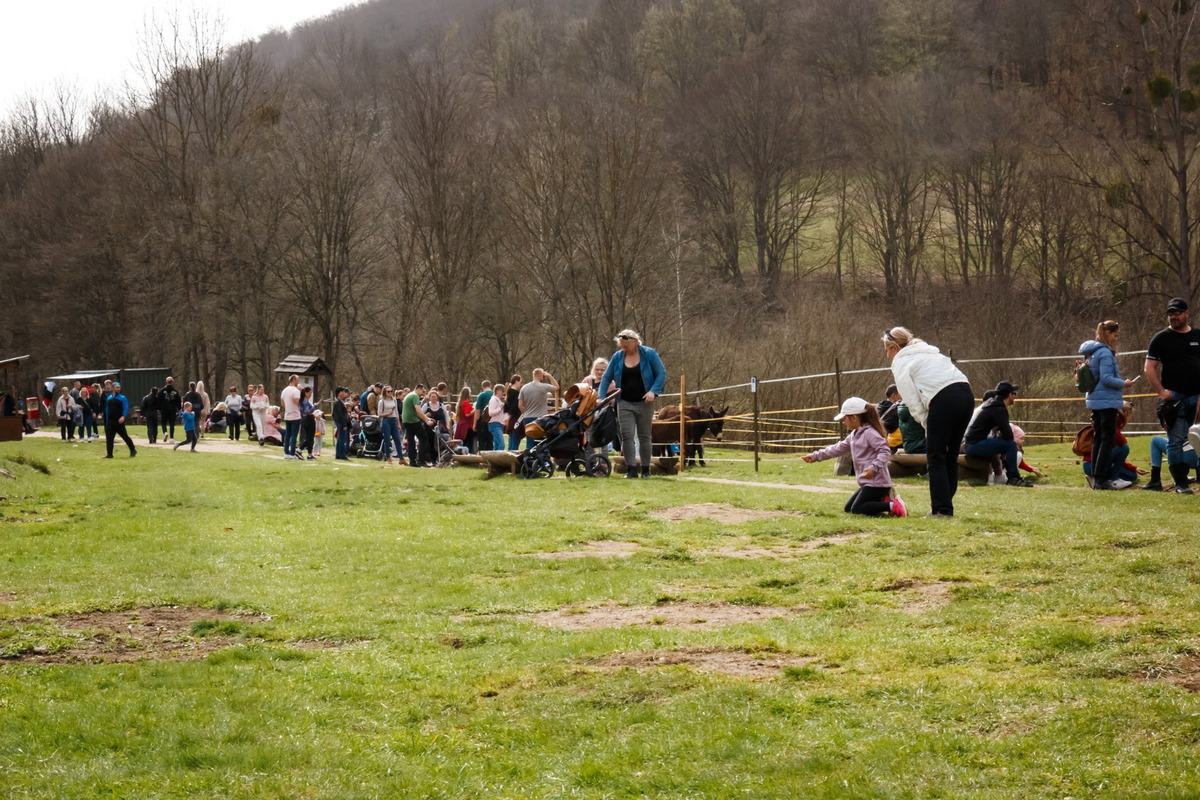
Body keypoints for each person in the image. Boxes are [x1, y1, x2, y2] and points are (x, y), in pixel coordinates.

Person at [884, 326, 974, 516]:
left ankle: (941, 510)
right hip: (966, 394)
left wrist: (928, 426)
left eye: (887, 350)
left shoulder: (901, 362)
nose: (887, 355)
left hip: (943, 399)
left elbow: (912, 401)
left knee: (935, 455)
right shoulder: (931, 353)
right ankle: (945, 504)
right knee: (950, 455)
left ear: (895, 347)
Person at [803, 397, 906, 517]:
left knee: (857, 508)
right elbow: (837, 448)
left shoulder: (870, 433)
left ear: (854, 418)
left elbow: (885, 451)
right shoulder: (854, 435)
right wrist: (815, 456)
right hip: (868, 483)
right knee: (849, 508)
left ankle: (894, 505)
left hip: (878, 483)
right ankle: (883, 501)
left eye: (845, 418)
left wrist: (873, 468)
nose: (843, 421)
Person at [1144, 297, 1200, 494]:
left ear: (1186, 313)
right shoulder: (1161, 338)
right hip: (1174, 399)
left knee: (1198, 440)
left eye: (1177, 313)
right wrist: (1161, 391)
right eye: (1170, 314)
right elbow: (1149, 368)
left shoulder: (1197, 335)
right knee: (1175, 441)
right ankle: (1180, 484)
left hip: (1197, 398)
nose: (1173, 317)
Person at [599, 329, 668, 479]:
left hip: (645, 402)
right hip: (624, 402)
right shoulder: (617, 357)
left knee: (644, 436)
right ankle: (631, 470)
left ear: (635, 342)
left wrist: (653, 391)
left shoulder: (649, 354)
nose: (623, 349)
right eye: (621, 346)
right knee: (627, 436)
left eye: (626, 346)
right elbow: (606, 377)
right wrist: (601, 397)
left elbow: (661, 373)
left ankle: (646, 470)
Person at [1079, 320, 1138, 490]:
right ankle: (1101, 478)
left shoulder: (1090, 352)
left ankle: (1096, 476)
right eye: (1115, 335)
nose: (1116, 339)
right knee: (1107, 439)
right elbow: (1106, 379)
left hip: (1095, 399)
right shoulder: (1105, 353)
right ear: (1108, 333)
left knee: (1098, 438)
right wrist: (1124, 383)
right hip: (1106, 400)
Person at [963, 381, 1033, 488]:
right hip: (973, 445)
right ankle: (1013, 478)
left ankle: (1003, 476)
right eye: (1014, 394)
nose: (1015, 397)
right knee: (1011, 445)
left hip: (971, 443)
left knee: (1006, 444)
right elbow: (1008, 435)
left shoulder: (994, 405)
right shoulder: (999, 409)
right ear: (1009, 395)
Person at [518, 368, 560, 450]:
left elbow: (520, 405)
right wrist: (549, 376)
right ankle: (544, 456)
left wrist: (525, 412)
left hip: (527, 418)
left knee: (529, 441)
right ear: (540, 375)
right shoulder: (543, 386)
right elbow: (557, 387)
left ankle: (529, 456)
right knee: (543, 440)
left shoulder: (524, 388)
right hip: (540, 418)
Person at [402, 384, 436, 467]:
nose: (423, 393)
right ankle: (421, 460)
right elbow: (418, 410)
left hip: (406, 421)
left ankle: (412, 461)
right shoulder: (415, 396)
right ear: (419, 389)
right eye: (423, 391)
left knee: (411, 441)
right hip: (413, 421)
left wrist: (426, 418)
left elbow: (414, 411)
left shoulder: (409, 395)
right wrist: (427, 421)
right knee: (423, 438)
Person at [103, 381, 137, 458]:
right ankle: (109, 454)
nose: (118, 389)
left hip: (119, 421)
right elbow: (107, 409)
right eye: (117, 387)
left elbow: (126, 408)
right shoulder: (109, 398)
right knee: (109, 438)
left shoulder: (122, 398)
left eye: (119, 387)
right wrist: (107, 420)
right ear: (113, 388)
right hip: (110, 421)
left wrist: (123, 416)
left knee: (125, 436)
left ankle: (133, 449)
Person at [377, 385, 405, 464]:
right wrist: (387, 414)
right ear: (384, 392)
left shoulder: (394, 400)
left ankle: (401, 458)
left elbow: (396, 412)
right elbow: (379, 414)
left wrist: (398, 423)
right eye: (388, 391)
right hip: (386, 420)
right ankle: (388, 457)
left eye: (391, 391)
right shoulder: (382, 401)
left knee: (397, 439)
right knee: (387, 439)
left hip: (394, 420)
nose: (390, 393)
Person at [280, 375, 302, 459]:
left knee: (288, 434)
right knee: (294, 435)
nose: (298, 382)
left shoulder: (284, 390)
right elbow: (296, 401)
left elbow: (282, 403)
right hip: (295, 415)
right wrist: (299, 408)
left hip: (287, 415)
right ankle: (292, 453)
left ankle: (286, 452)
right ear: (294, 380)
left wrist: (288, 407)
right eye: (297, 380)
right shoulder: (296, 391)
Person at [159, 377, 181, 443]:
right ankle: (171, 438)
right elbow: (178, 400)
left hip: (164, 409)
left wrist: (159, 408)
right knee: (172, 423)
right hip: (172, 409)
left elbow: (159, 399)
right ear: (172, 382)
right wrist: (178, 408)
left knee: (163, 422)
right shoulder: (175, 391)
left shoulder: (162, 390)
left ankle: (165, 432)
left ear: (166, 382)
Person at [504, 375, 523, 450]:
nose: (521, 384)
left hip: (511, 419)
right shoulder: (516, 393)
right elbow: (515, 407)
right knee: (515, 442)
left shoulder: (509, 392)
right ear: (516, 381)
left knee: (512, 442)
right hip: (516, 419)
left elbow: (506, 408)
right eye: (520, 382)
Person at [474, 381, 494, 452]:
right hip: (492, 419)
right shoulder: (494, 394)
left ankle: (482, 456)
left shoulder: (481, 395)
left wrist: (474, 423)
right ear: (490, 385)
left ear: (482, 387)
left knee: (482, 440)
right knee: (490, 440)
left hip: (482, 420)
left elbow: (477, 410)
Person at [487, 384, 508, 452]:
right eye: (502, 391)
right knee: (501, 444)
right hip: (495, 424)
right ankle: (499, 457)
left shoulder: (498, 400)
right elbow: (491, 412)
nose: (503, 393)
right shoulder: (494, 400)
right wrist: (500, 408)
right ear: (497, 391)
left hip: (498, 424)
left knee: (496, 445)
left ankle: (494, 458)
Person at [454, 387, 475, 453]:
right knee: (469, 442)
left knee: (464, 442)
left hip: (462, 424)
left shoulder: (460, 402)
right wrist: (474, 410)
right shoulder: (466, 402)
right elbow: (467, 414)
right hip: (467, 425)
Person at [333, 386, 351, 460]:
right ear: (339, 393)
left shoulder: (339, 402)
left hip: (339, 422)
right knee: (342, 439)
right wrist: (344, 424)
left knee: (340, 438)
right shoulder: (338, 403)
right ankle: (341, 454)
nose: (344, 393)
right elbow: (340, 415)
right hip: (341, 423)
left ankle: (338, 454)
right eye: (342, 392)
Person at [298, 386, 316, 460]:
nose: (311, 394)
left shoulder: (303, 401)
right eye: (309, 393)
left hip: (305, 419)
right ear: (305, 393)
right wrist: (314, 406)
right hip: (309, 419)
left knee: (309, 437)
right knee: (310, 437)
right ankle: (300, 450)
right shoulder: (305, 401)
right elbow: (306, 412)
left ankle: (309, 454)